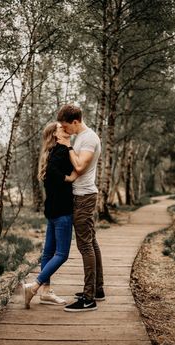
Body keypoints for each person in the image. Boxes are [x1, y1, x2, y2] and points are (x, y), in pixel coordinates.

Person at [24, 122, 77, 309]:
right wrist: (69, 178)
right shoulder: (62, 150)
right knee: (62, 254)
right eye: (61, 129)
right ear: (55, 134)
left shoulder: (50, 152)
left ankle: (46, 292)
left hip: (52, 210)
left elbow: (51, 172)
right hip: (62, 210)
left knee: (48, 252)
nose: (66, 130)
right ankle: (35, 285)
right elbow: (60, 171)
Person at [57, 104, 105, 312]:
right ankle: (98, 289)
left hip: (85, 196)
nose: (65, 130)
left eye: (66, 126)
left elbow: (80, 166)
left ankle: (88, 298)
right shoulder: (81, 137)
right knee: (91, 242)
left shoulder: (89, 138)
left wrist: (67, 145)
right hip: (82, 194)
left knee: (85, 245)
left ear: (75, 122)